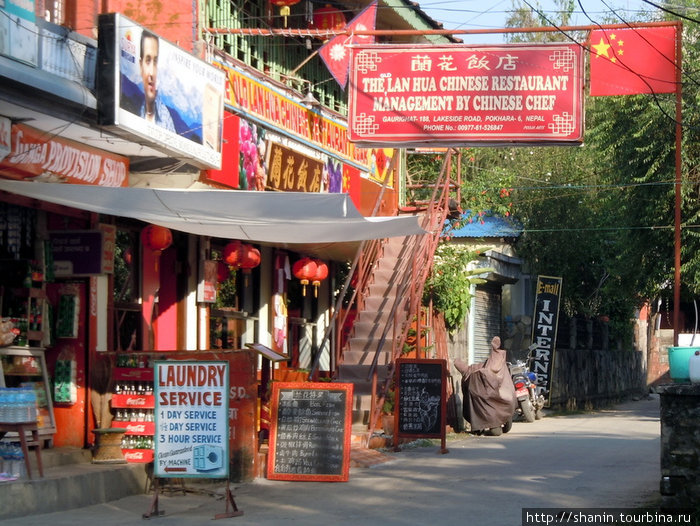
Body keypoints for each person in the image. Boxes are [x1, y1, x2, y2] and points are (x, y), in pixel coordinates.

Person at [454, 336, 517, 436]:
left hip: (479, 389)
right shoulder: (492, 370)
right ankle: (484, 426)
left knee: (493, 429)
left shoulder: (473, 374)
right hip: (490, 394)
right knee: (495, 430)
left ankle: (480, 426)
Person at [139, 30, 176, 132]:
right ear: (140, 65)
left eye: (155, 62)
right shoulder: (132, 110)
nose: (151, 73)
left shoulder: (166, 118)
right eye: (148, 61)